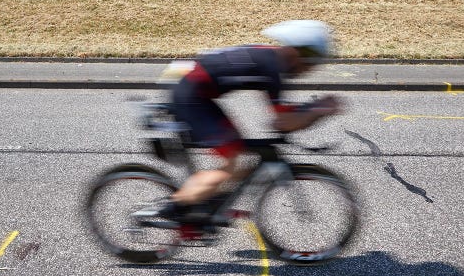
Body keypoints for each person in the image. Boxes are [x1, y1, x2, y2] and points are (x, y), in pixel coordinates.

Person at [139, 20, 341, 225]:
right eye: (311, 59)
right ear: (295, 51)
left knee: (243, 163)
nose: (311, 68)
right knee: (234, 165)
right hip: (192, 96)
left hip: (196, 91)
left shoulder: (271, 60)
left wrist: (309, 111)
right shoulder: (272, 68)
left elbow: (284, 116)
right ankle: (173, 208)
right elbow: (284, 123)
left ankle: (204, 202)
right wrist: (318, 110)